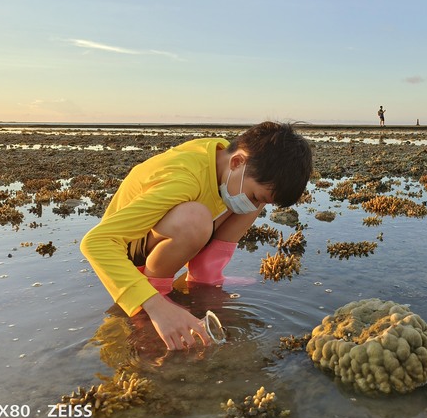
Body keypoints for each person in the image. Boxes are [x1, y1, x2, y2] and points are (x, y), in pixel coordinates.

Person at [80, 121, 313, 351]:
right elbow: (97, 242)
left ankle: (205, 280)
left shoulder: (227, 159)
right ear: (237, 161)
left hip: (170, 229)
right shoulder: (184, 177)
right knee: (195, 218)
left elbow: (248, 195)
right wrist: (155, 305)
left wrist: (256, 199)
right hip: (133, 247)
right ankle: (155, 298)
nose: (253, 205)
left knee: (251, 199)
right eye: (254, 195)